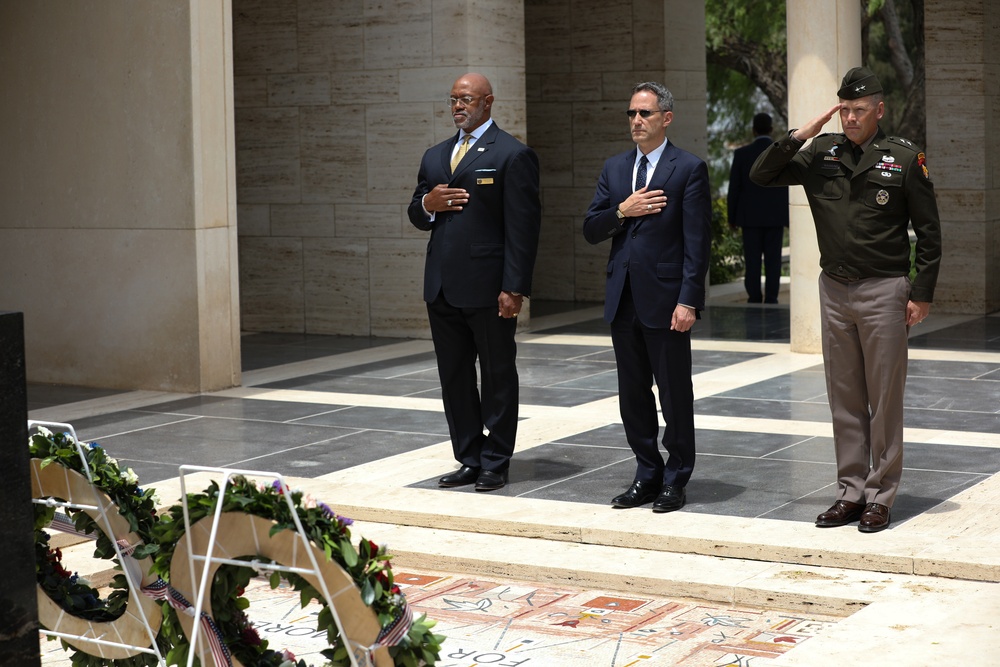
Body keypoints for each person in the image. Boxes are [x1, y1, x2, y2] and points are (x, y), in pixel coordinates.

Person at [750, 67, 942, 532]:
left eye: (859, 110)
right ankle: (851, 492)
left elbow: (930, 233)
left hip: (884, 290)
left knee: (884, 398)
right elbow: (762, 175)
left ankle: (881, 495)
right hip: (834, 289)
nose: (851, 118)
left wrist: (921, 294)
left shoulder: (903, 158)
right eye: (845, 110)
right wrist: (803, 133)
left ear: (879, 109)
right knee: (845, 398)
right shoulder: (820, 152)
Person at [407, 72, 541, 492]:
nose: (458, 107)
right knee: (455, 377)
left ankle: (496, 461)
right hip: (442, 287)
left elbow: (523, 228)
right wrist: (428, 204)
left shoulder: (512, 154)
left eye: (466, 99)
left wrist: (514, 287)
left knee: (498, 375)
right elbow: (416, 211)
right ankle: (468, 456)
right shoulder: (434, 156)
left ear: (488, 102)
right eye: (452, 100)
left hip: (489, 289)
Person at [583, 81, 712, 513]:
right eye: (632, 114)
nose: (636, 121)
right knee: (632, 395)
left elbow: (698, 242)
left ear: (666, 118)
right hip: (624, 300)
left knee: (674, 394)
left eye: (645, 113)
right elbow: (591, 228)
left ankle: (676, 478)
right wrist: (624, 210)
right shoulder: (615, 169)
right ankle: (646, 472)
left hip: (668, 300)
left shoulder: (688, 168)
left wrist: (689, 300)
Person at [727, 112, 789, 303]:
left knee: (752, 261)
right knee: (773, 261)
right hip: (775, 218)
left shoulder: (741, 154)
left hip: (750, 218)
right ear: (771, 130)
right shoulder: (781, 154)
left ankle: (754, 297)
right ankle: (771, 298)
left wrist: (732, 218)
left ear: (753, 131)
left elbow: (734, 189)